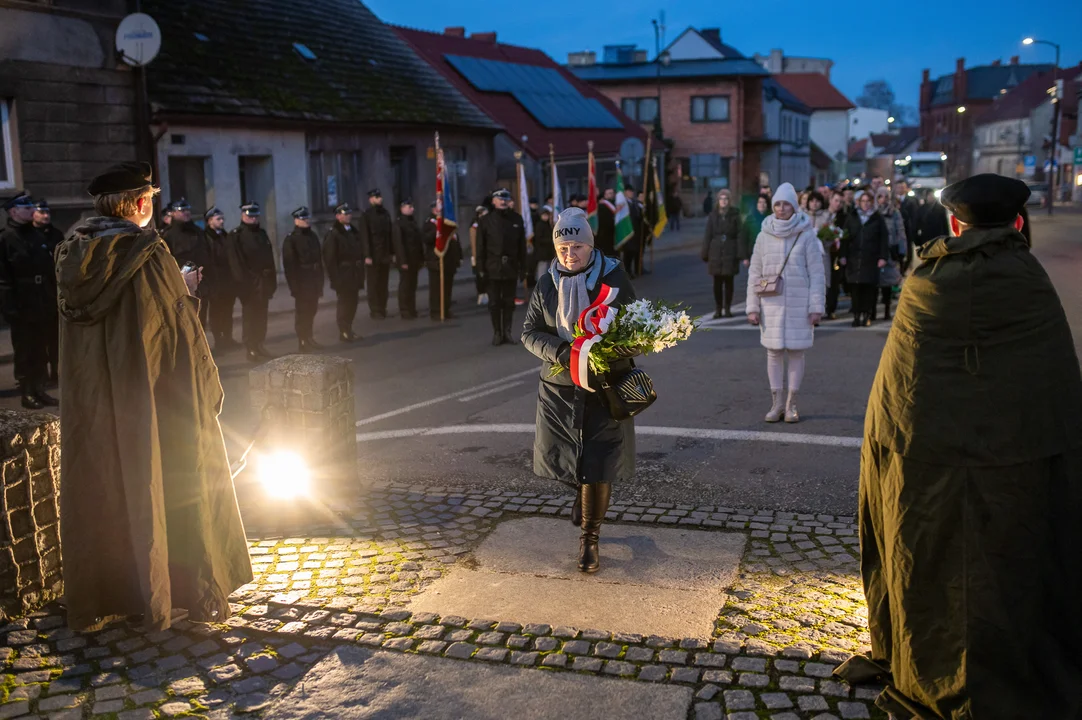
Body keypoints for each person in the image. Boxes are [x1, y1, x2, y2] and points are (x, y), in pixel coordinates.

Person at [836, 174, 1082, 718]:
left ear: (954, 222)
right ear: (1018, 223)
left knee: (930, 561)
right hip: (1018, 463)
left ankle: (925, 658)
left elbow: (894, 393)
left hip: (927, 465)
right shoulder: (1030, 279)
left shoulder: (929, 282)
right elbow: (1056, 388)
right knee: (1007, 569)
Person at [55, 161, 251, 633]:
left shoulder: (71, 253)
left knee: (108, 484)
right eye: (150, 199)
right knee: (163, 483)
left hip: (99, 401)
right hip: (152, 399)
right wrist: (182, 290)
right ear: (139, 203)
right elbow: (173, 336)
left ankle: (110, 591)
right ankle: (175, 589)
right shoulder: (149, 252)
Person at [522, 207, 637, 573]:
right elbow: (528, 332)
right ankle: (579, 493)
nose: (569, 255)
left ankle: (590, 538)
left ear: (590, 245)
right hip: (559, 387)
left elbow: (636, 330)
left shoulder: (614, 277)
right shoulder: (546, 284)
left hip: (605, 387)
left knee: (598, 462)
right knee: (569, 461)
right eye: (562, 249)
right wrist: (562, 350)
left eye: (576, 247)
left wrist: (607, 351)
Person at [746, 183, 825, 423]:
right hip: (771, 304)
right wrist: (752, 306)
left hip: (800, 305)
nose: (781, 208)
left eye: (786, 204)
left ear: (793, 205)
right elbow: (754, 272)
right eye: (777, 204)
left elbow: (817, 274)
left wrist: (816, 307)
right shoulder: (763, 234)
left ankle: (791, 404)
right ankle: (776, 403)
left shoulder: (806, 233)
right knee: (773, 353)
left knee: (797, 353)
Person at [0, 192, 59, 408]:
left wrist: (52, 298)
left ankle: (40, 389)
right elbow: (3, 278)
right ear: (13, 211)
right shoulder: (6, 238)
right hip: (21, 303)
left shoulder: (36, 236)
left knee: (41, 348)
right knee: (25, 350)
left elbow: (49, 270)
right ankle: (27, 392)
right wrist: (9, 308)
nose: (32, 210)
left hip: (42, 300)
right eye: (26, 208)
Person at [226, 202, 277, 362]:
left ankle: (259, 344)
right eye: (249, 216)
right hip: (249, 283)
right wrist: (243, 286)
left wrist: (272, 282)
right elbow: (236, 264)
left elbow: (269, 259)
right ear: (243, 215)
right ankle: (251, 348)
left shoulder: (261, 233)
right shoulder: (236, 235)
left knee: (262, 316)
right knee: (250, 316)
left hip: (264, 282)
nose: (253, 218)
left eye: (255, 215)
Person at [476, 188, 526, 345]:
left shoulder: (517, 219)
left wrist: (523, 267)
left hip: (510, 266)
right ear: (493, 201)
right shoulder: (485, 221)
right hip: (493, 266)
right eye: (500, 198)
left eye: (506, 198)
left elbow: (521, 246)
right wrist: (480, 269)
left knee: (509, 302)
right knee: (495, 302)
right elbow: (480, 247)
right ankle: (497, 332)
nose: (503, 201)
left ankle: (507, 331)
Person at [162, 198, 212, 329]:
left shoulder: (198, 232)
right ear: (173, 213)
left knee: (200, 322)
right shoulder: (167, 236)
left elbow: (207, 255)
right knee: (183, 323)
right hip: (180, 284)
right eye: (182, 210)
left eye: (187, 210)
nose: (186, 213)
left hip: (201, 283)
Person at [841, 191, 888, 327]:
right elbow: (845, 237)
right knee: (855, 289)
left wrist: (883, 257)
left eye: (868, 201)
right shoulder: (852, 217)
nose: (866, 204)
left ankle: (867, 315)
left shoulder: (877, 218)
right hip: (854, 259)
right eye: (863, 201)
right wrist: (843, 255)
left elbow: (884, 239)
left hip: (871, 258)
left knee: (869, 289)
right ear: (859, 203)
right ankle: (856, 315)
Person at [281, 206, 324, 352]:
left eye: (307, 218)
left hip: (314, 279)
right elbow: (290, 266)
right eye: (303, 219)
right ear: (296, 221)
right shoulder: (291, 239)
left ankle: (309, 336)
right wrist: (294, 287)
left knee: (312, 309)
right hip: (302, 281)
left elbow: (319, 259)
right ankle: (302, 340)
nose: (306, 221)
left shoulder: (312, 236)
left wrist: (320, 281)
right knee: (302, 312)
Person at [30, 199, 63, 386]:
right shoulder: (28, 235)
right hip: (35, 296)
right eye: (41, 212)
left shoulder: (55, 234)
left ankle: (56, 373)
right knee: (38, 339)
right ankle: (39, 376)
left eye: (47, 212)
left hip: (54, 292)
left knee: (55, 338)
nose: (46, 216)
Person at [322, 203, 365, 343]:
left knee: (353, 302)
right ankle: (343, 330)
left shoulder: (352, 231)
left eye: (349, 214)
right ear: (338, 216)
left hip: (354, 272)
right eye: (345, 214)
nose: (348, 216)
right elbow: (330, 259)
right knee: (344, 303)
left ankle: (349, 328)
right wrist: (335, 278)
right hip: (343, 273)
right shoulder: (334, 233)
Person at [701, 189, 745, 318]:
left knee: (729, 282)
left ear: (729, 201)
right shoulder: (713, 215)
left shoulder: (735, 215)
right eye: (721, 199)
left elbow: (740, 235)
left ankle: (727, 308)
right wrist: (705, 252)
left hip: (730, 251)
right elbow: (708, 235)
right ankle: (718, 308)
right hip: (716, 252)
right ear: (718, 201)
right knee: (717, 283)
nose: (723, 201)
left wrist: (740, 253)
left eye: (726, 199)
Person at [203, 207, 237, 350]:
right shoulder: (206, 237)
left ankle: (228, 338)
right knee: (216, 312)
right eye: (218, 219)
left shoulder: (225, 235)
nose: (222, 221)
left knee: (228, 310)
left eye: (222, 218)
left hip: (228, 280)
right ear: (210, 221)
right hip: (215, 280)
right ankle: (219, 340)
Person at [422, 201, 461, 320]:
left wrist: (459, 257)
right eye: (437, 208)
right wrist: (437, 230)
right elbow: (426, 239)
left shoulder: (447, 222)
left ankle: (446, 309)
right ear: (433, 209)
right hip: (435, 260)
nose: (439, 210)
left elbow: (455, 241)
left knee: (447, 287)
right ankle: (435, 311)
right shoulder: (429, 223)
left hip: (449, 260)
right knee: (436, 288)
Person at [873, 187, 906, 321]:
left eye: (886, 197)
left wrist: (902, 251)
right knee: (874, 282)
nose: (883, 199)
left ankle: (887, 310)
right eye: (880, 196)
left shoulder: (895, 213)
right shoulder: (873, 212)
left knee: (888, 283)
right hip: (875, 251)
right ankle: (872, 311)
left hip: (890, 250)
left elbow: (900, 231)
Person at [360, 189, 393, 319]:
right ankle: (375, 310)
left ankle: (382, 308)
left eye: (380, 197)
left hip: (384, 254)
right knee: (373, 283)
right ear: (371, 199)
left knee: (383, 283)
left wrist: (392, 252)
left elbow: (389, 235)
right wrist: (367, 255)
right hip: (373, 255)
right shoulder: (366, 216)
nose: (380, 199)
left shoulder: (385, 214)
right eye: (376, 197)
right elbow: (365, 237)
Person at [392, 198, 423, 320]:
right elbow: (399, 245)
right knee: (405, 285)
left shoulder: (413, 222)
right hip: (405, 259)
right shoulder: (399, 224)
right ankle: (404, 310)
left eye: (412, 207)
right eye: (409, 207)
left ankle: (412, 308)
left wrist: (421, 258)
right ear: (402, 208)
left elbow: (418, 242)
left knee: (412, 285)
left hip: (414, 259)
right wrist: (403, 261)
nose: (412, 209)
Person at [824, 191, 847, 319]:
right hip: (824, 252)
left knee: (834, 281)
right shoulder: (823, 215)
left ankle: (831, 307)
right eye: (836, 200)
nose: (838, 204)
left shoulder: (843, 217)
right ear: (830, 200)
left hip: (836, 254)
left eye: (840, 202)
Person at [740, 193, 770, 266]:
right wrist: (745, 257)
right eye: (760, 202)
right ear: (756, 204)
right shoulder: (749, 220)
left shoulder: (771, 219)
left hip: (769, 255)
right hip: (753, 255)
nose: (762, 204)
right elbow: (743, 239)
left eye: (764, 202)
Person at [469, 205, 489, 306]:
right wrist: (475, 256)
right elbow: (474, 243)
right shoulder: (475, 226)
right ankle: (481, 294)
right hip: (479, 255)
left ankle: (487, 293)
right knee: (479, 275)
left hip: (488, 254)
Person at [621, 184, 643, 277]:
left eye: (632, 191)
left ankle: (632, 270)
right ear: (625, 192)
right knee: (628, 253)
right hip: (627, 231)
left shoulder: (633, 202)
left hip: (635, 230)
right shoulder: (623, 203)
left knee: (633, 251)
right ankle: (627, 271)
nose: (631, 193)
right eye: (629, 191)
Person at [533, 206, 555, 280]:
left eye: (547, 215)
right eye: (544, 215)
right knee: (542, 270)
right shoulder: (539, 225)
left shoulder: (549, 225)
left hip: (548, 252)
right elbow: (539, 239)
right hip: (542, 252)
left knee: (548, 269)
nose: (546, 217)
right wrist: (550, 240)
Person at [595, 188, 616, 257]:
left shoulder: (616, 204)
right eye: (609, 193)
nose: (611, 195)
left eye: (612, 193)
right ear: (605, 195)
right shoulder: (602, 206)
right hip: (605, 235)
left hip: (615, 235)